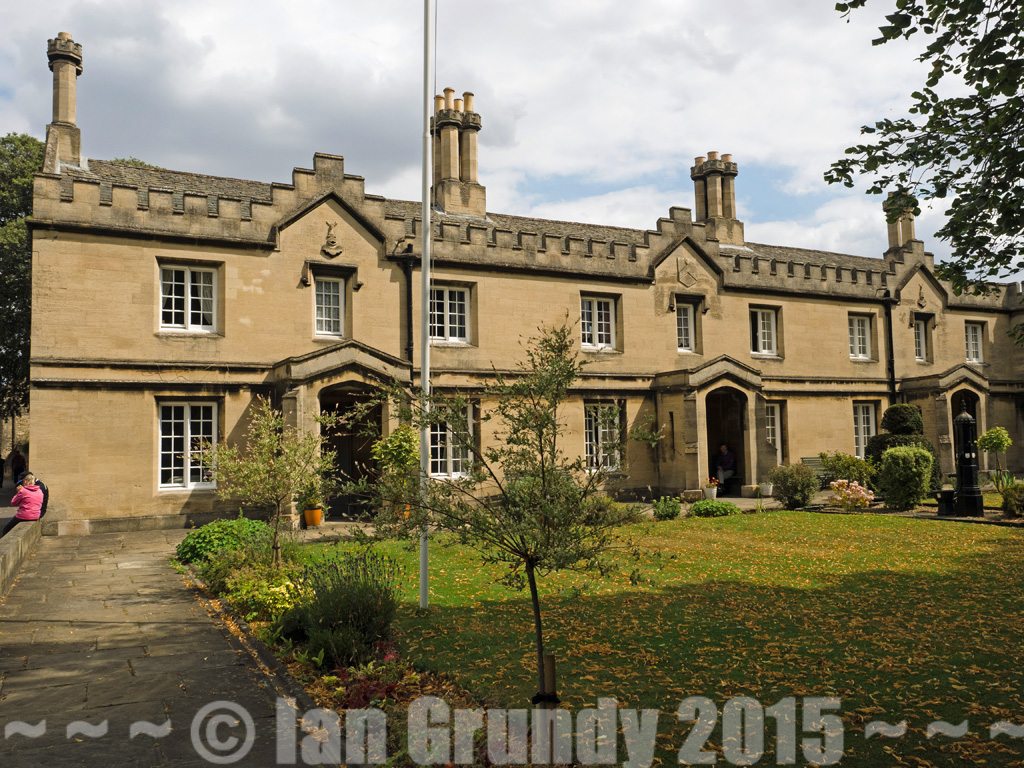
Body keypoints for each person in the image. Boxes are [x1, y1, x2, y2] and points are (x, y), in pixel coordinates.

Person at [2, 471, 45, 537]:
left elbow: (13, 503)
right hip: (36, 515)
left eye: (22, 482)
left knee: (6, 529)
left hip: (24, 515)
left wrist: (19, 492)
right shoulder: (39, 491)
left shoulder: (23, 491)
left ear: (25, 481)